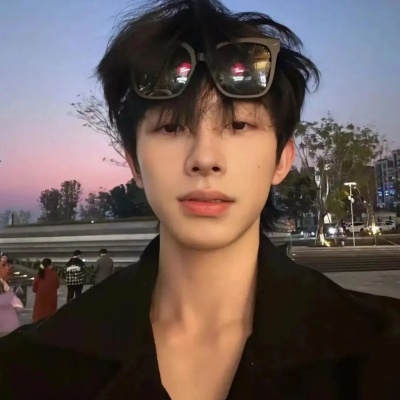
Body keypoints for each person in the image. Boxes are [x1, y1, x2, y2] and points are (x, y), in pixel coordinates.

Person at [1, 0, 400, 398]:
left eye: (239, 125)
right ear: (134, 163)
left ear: (282, 159)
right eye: (171, 128)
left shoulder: (382, 353)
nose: (205, 159)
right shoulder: (29, 368)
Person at [32, 258, 60, 323]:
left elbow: (34, 289)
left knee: (39, 314)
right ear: (50, 265)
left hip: (40, 297)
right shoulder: (54, 274)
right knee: (50, 314)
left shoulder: (39, 274)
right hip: (51, 297)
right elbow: (57, 285)